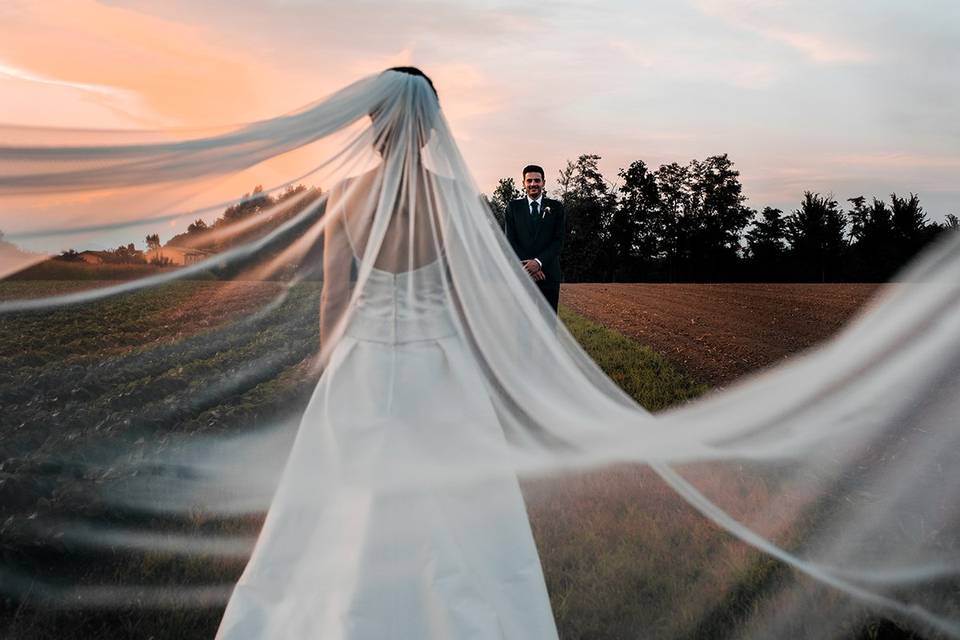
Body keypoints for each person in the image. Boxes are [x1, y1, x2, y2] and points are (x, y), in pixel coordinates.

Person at [214, 67, 560, 640]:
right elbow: (468, 295)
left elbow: (335, 296)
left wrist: (332, 371)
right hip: (441, 366)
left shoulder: (346, 195)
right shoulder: (453, 196)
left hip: (364, 362)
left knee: (346, 500)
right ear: (430, 130)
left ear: (372, 124)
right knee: (458, 508)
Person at [504, 165, 566, 312]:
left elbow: (558, 241)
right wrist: (530, 267)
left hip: (548, 275)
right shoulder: (513, 208)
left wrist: (539, 262)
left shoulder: (556, 207)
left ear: (543, 182)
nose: (533, 184)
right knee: (523, 324)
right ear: (524, 183)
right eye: (529, 180)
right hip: (523, 275)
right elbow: (510, 241)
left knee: (548, 323)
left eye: (537, 180)